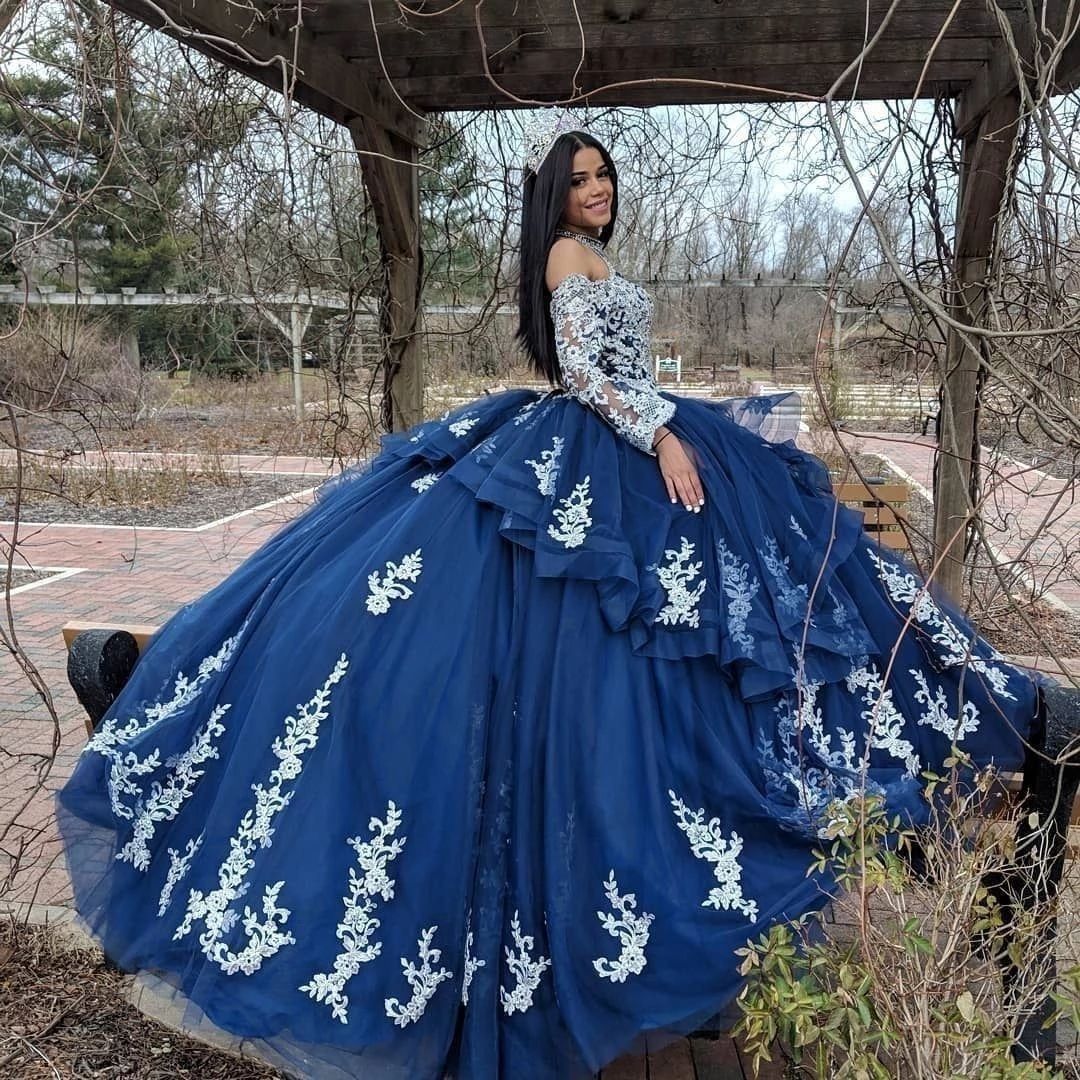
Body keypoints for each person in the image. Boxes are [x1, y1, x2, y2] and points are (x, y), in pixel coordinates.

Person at [57, 116, 1039, 1080]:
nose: (597, 191)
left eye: (603, 176)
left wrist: (665, 427)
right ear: (554, 202)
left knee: (753, 578)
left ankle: (949, 708)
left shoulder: (590, 255)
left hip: (627, 438)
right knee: (615, 629)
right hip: (607, 441)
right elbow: (587, 376)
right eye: (579, 181)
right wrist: (660, 433)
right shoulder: (568, 259)